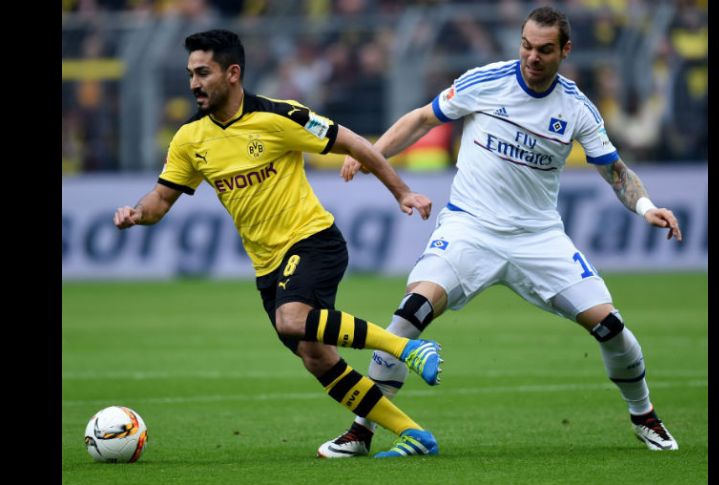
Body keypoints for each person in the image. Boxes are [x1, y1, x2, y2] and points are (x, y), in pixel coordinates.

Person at [318, 6, 682, 458]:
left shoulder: (576, 108)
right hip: (470, 228)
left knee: (610, 326)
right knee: (407, 317)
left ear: (565, 51)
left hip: (538, 237)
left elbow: (616, 172)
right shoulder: (485, 81)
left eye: (545, 49)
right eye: (526, 46)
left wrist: (646, 207)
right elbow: (421, 119)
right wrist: (373, 154)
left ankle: (644, 415)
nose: (532, 56)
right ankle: (361, 430)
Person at [113, 29, 444, 458]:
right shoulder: (190, 140)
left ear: (232, 73)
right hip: (267, 266)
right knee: (316, 357)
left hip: (314, 241)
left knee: (292, 320)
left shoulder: (279, 116)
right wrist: (137, 214)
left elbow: (354, 142)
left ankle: (407, 348)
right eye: (190, 74)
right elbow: (160, 199)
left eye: (202, 72)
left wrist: (402, 192)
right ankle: (414, 435)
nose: (193, 83)